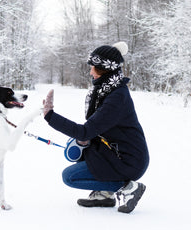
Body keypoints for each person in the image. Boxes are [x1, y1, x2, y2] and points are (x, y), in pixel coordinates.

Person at [42, 42, 149, 214]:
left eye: (94, 68)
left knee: (69, 177)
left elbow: (86, 130)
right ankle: (105, 195)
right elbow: (93, 130)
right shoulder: (106, 91)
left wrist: (50, 116)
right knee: (82, 154)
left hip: (129, 160)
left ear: (105, 70)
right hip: (114, 152)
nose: (91, 71)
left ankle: (127, 187)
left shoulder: (117, 97)